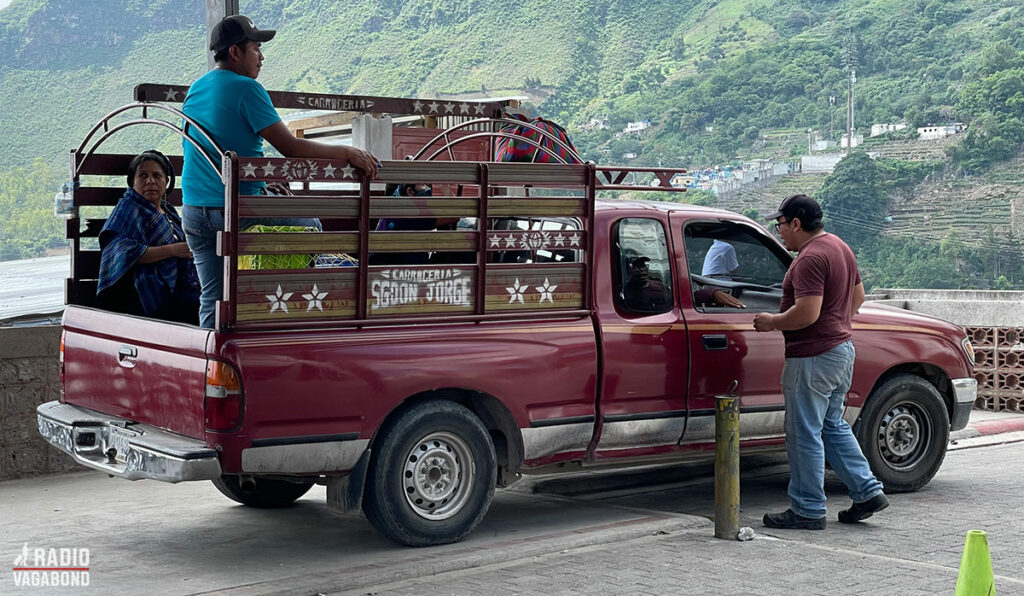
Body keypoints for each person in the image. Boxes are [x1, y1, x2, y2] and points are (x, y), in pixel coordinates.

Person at [181, 14, 380, 328]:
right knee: (309, 225)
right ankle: (297, 314)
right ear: (235, 52)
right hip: (234, 209)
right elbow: (292, 148)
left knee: (213, 296)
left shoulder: (196, 88)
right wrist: (347, 152)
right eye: (256, 48)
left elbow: (221, 142)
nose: (262, 57)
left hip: (193, 212)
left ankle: (210, 355)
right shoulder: (247, 88)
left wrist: (260, 185)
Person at [753, 194, 887, 530]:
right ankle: (867, 491)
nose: (779, 231)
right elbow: (857, 299)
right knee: (832, 425)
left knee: (804, 433)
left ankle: (808, 509)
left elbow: (807, 313)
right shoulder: (839, 246)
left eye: (780, 224)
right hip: (841, 351)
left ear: (796, 223)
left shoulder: (810, 258)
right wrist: (836, 322)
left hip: (812, 357)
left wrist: (771, 322)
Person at [97, 150, 200, 325]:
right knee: (200, 307)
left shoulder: (169, 212)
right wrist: (172, 250)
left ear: (166, 181)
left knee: (212, 301)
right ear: (132, 182)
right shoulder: (127, 210)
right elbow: (122, 252)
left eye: (157, 175)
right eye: (143, 176)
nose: (150, 181)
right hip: (144, 292)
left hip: (177, 287)